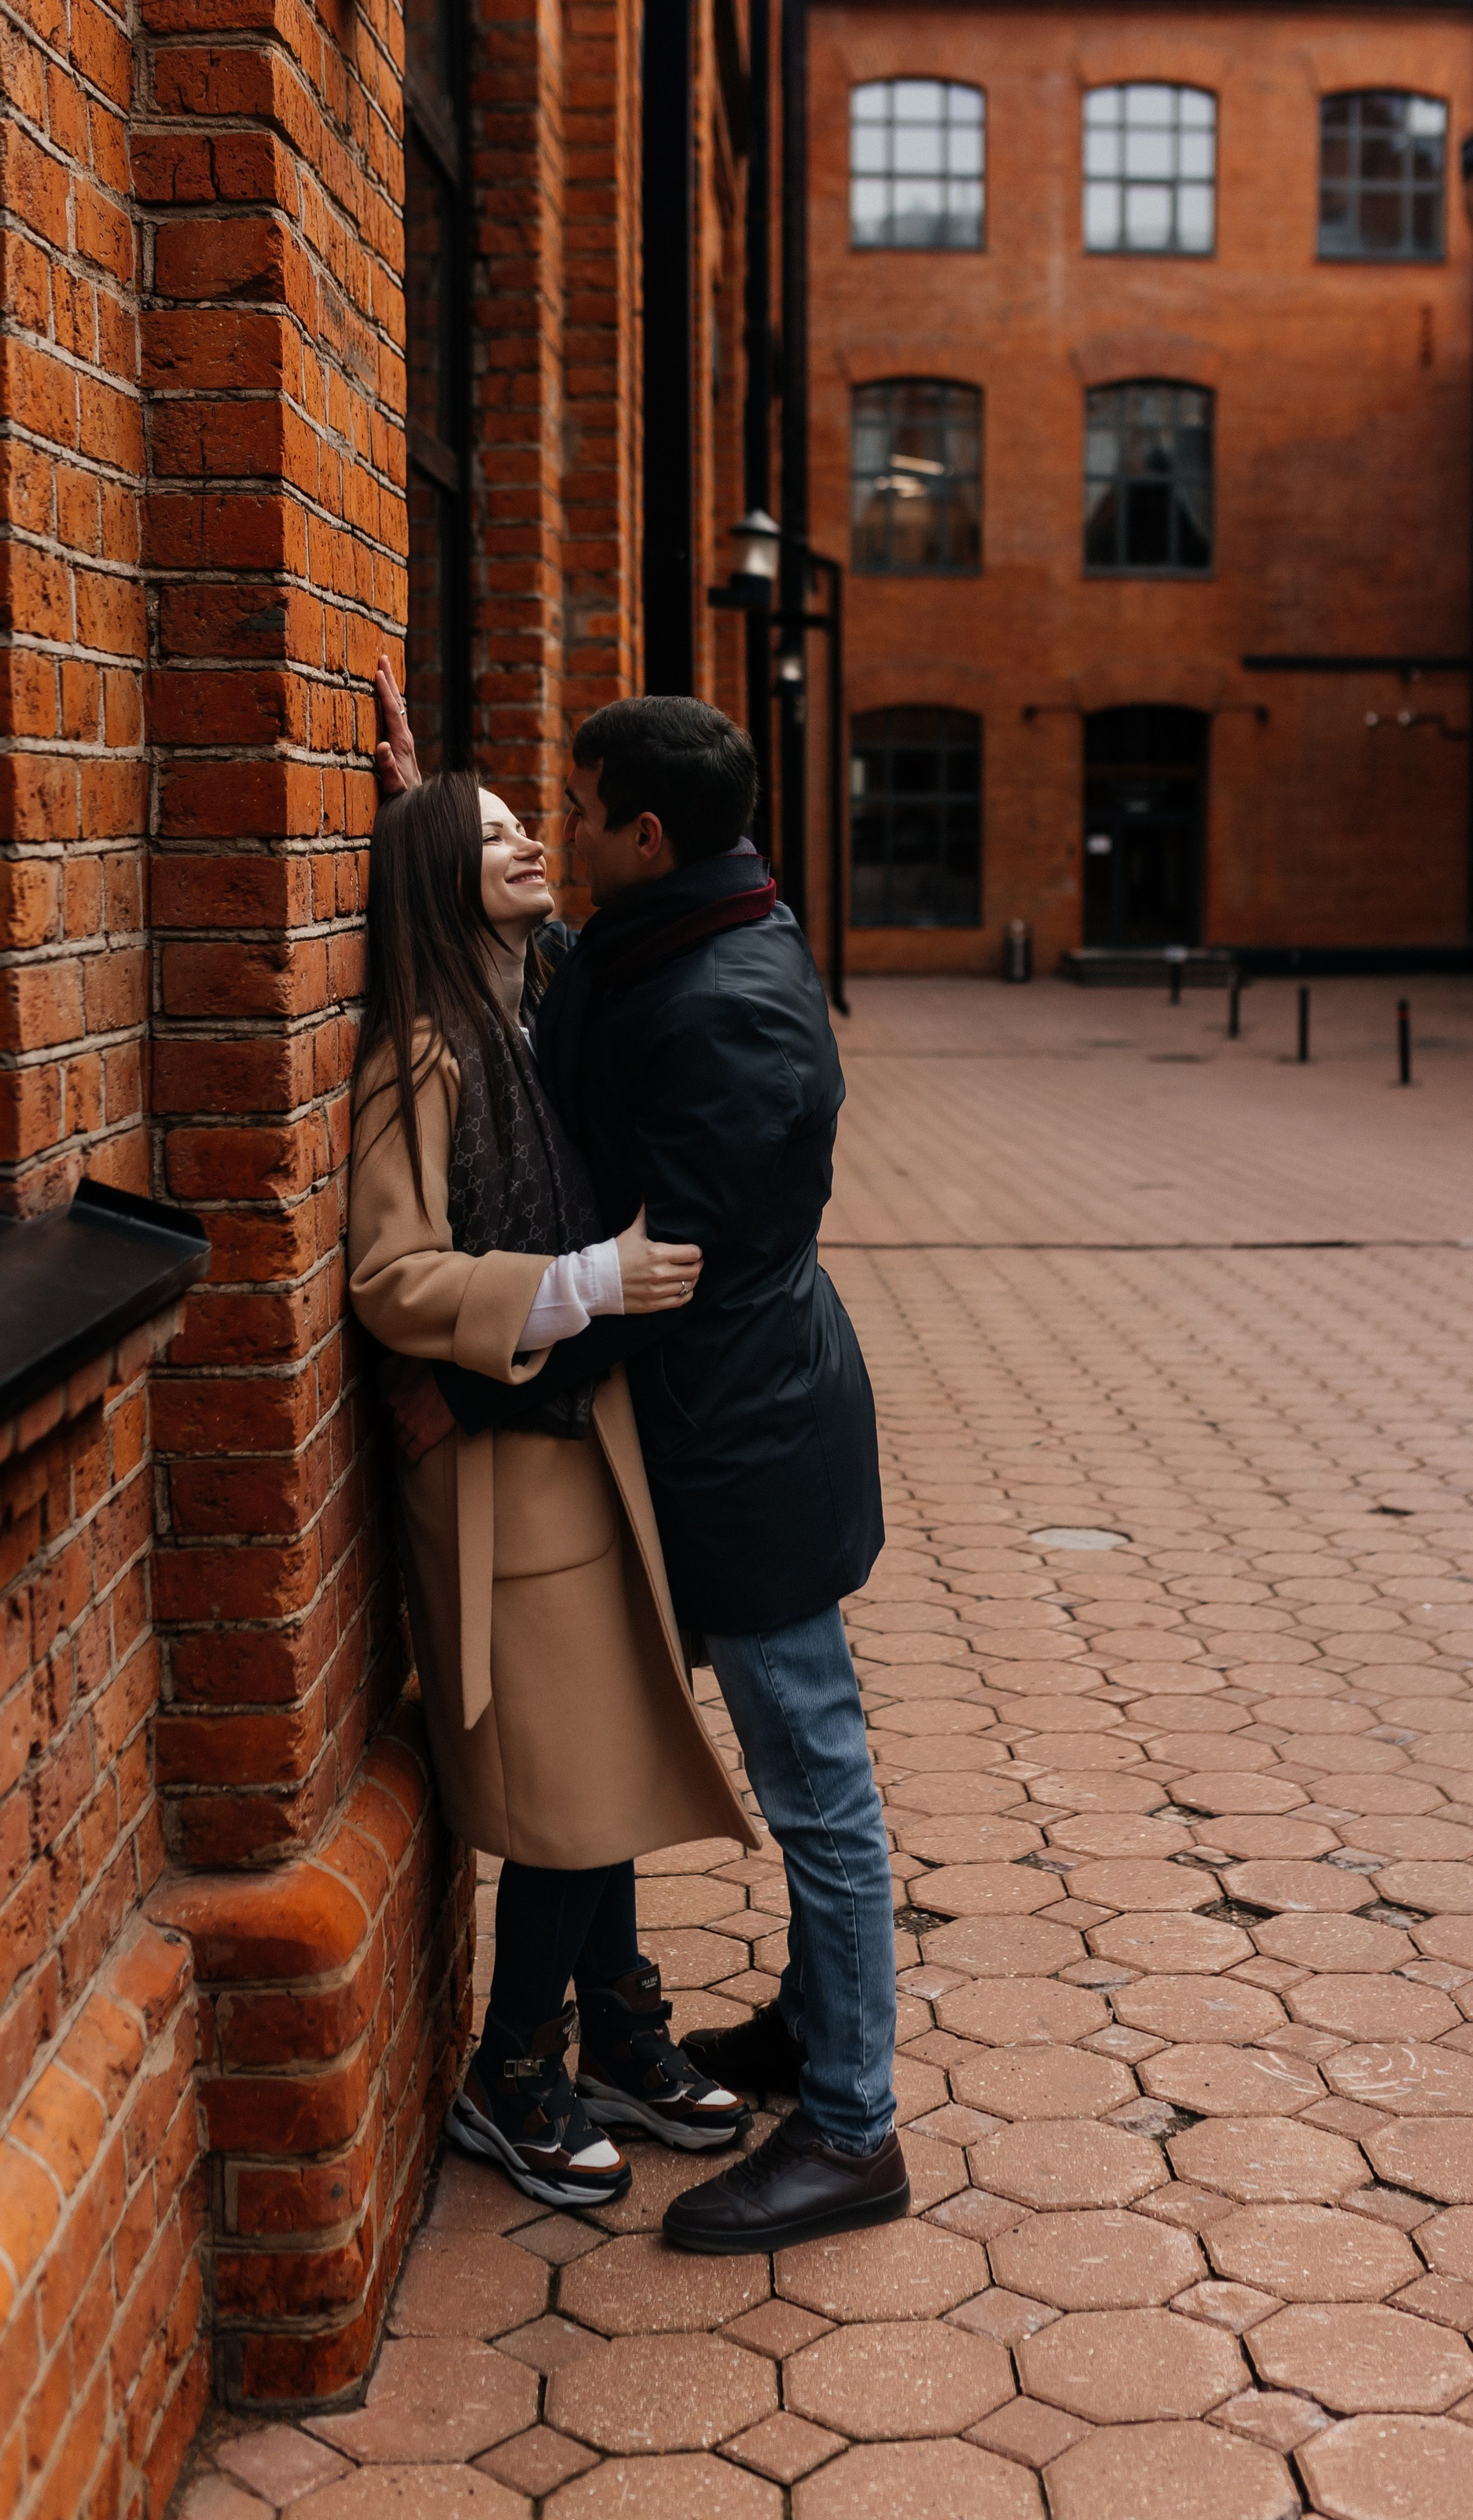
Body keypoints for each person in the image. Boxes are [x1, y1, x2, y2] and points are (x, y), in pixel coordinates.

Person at [374, 669, 903, 2258]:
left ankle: (855, 2128)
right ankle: (794, 2031)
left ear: (649, 836)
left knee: (818, 1786)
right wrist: (421, 827)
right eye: (520, 826)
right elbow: (532, 971)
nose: (558, 835)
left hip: (742, 1444)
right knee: (698, 1759)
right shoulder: (669, 932)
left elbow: (659, 1269)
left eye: (578, 814)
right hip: (682, 1432)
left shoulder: (725, 1005)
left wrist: (468, 1381)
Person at [347, 768, 759, 2211]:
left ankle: (619, 2030)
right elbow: (392, 1275)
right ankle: (512, 2067)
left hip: (582, 1446)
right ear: (438, 882)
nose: (530, 841)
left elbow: (509, 896)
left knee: (613, 1752)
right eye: (493, 837)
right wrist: (590, 1279)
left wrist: (429, 796)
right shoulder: (425, 1052)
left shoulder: (535, 1003)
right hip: (503, 1479)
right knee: (574, 1778)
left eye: (531, 821)